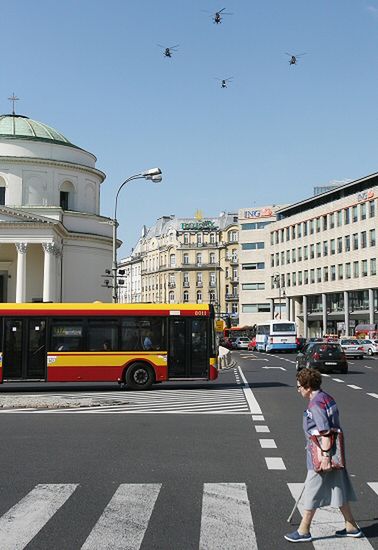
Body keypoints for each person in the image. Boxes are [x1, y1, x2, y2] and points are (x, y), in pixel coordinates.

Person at [285, 368, 362, 543]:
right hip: (336, 452)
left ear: (307, 387)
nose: (298, 390)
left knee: (311, 491)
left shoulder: (315, 404)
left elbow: (325, 431)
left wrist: (325, 457)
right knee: (338, 488)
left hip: (321, 454)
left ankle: (304, 530)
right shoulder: (327, 398)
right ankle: (351, 526)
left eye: (299, 387)